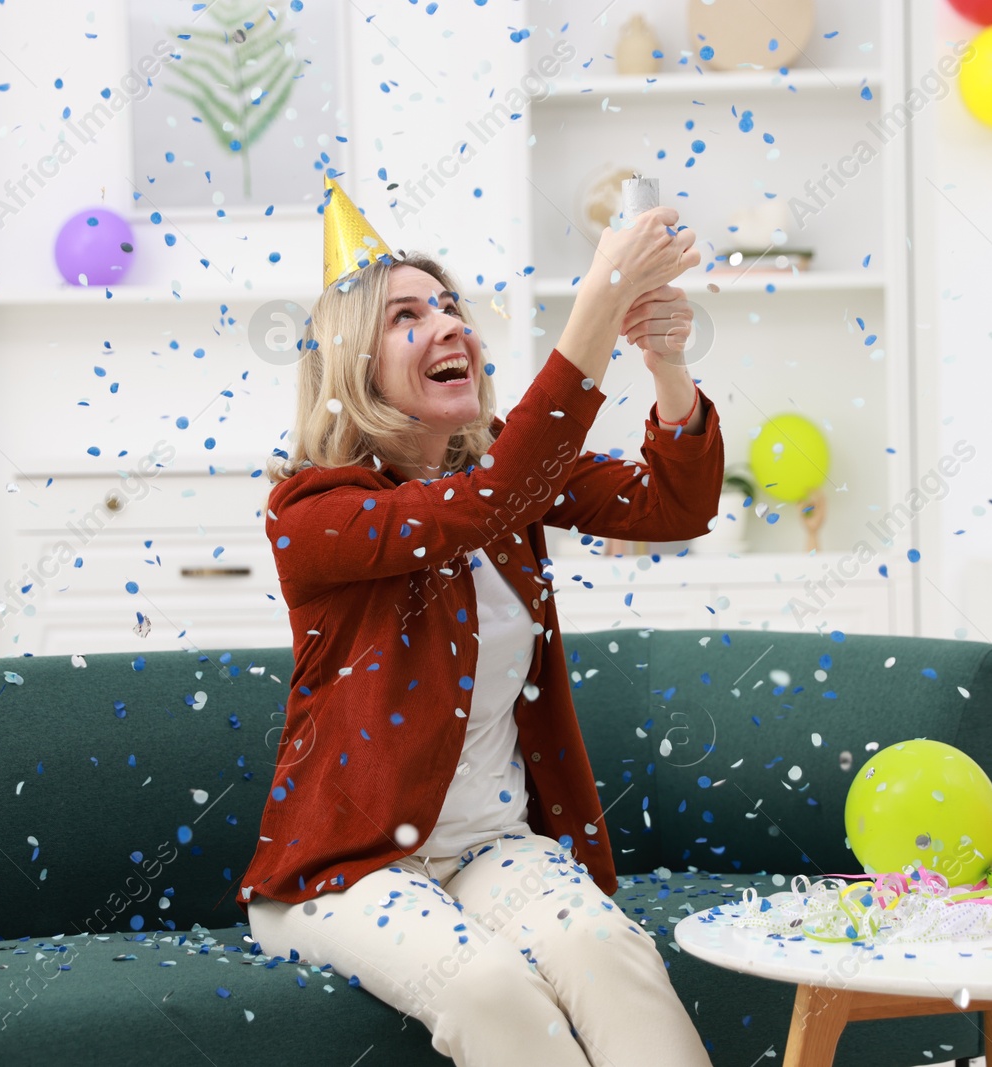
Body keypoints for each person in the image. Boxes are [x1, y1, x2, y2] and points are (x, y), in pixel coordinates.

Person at [237, 175, 722, 1066]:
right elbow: (479, 507)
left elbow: (672, 506)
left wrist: (665, 366)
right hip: (347, 872)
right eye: (406, 318)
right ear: (353, 367)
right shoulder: (313, 512)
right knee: (491, 987)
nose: (451, 324)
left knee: (612, 952)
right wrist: (597, 300)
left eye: (451, 305)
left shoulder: (503, 471)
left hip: (490, 849)